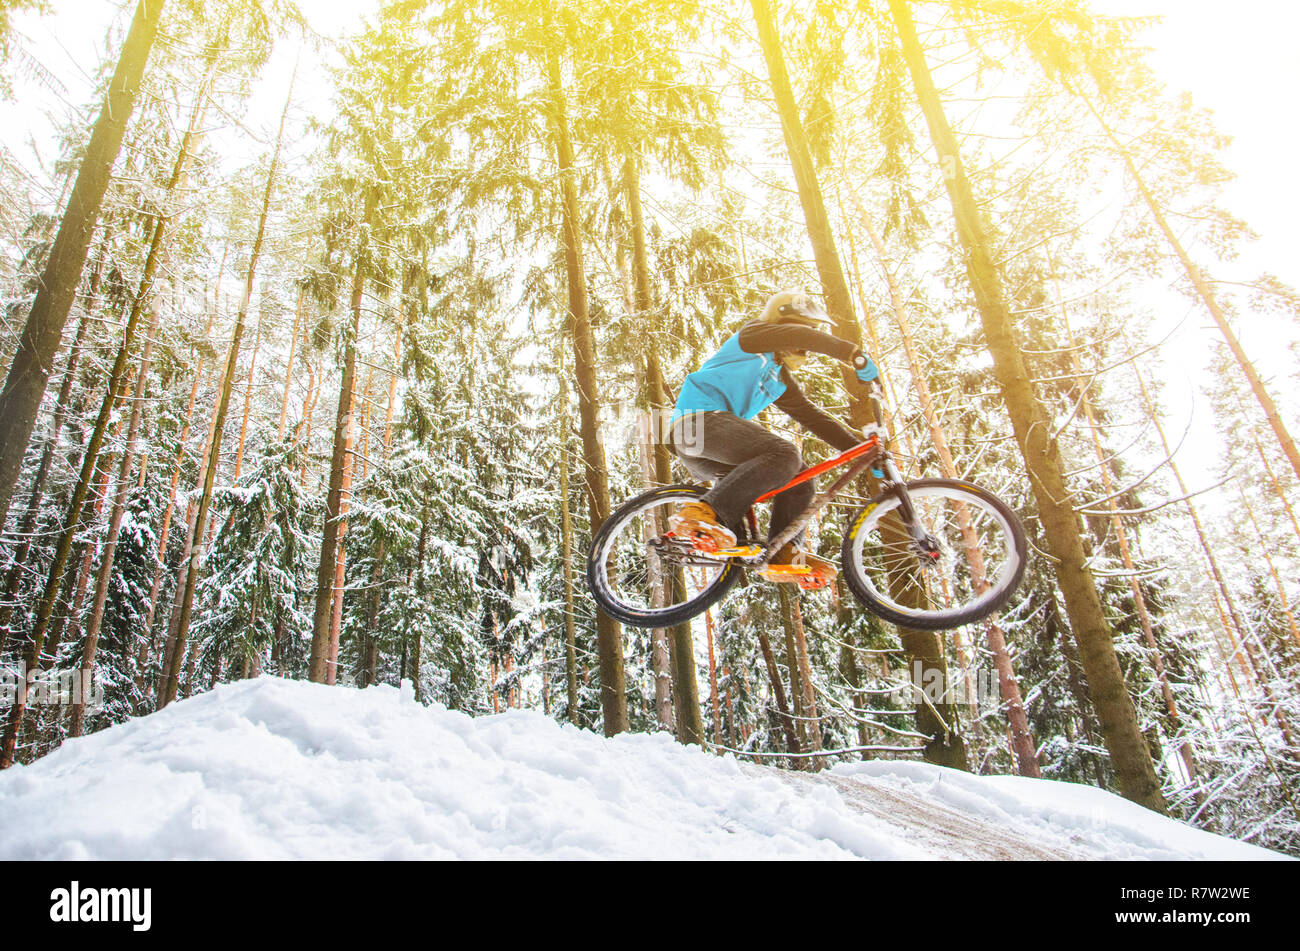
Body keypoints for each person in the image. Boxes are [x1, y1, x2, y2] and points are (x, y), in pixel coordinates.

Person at [667, 289, 880, 585]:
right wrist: (850, 353)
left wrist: (863, 451)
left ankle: (783, 551)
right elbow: (800, 335)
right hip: (696, 425)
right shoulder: (754, 337)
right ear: (782, 325)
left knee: (800, 475)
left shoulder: (779, 380)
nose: (806, 347)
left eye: (810, 337)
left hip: (714, 450)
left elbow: (813, 417)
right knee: (785, 454)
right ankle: (702, 511)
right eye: (805, 333)